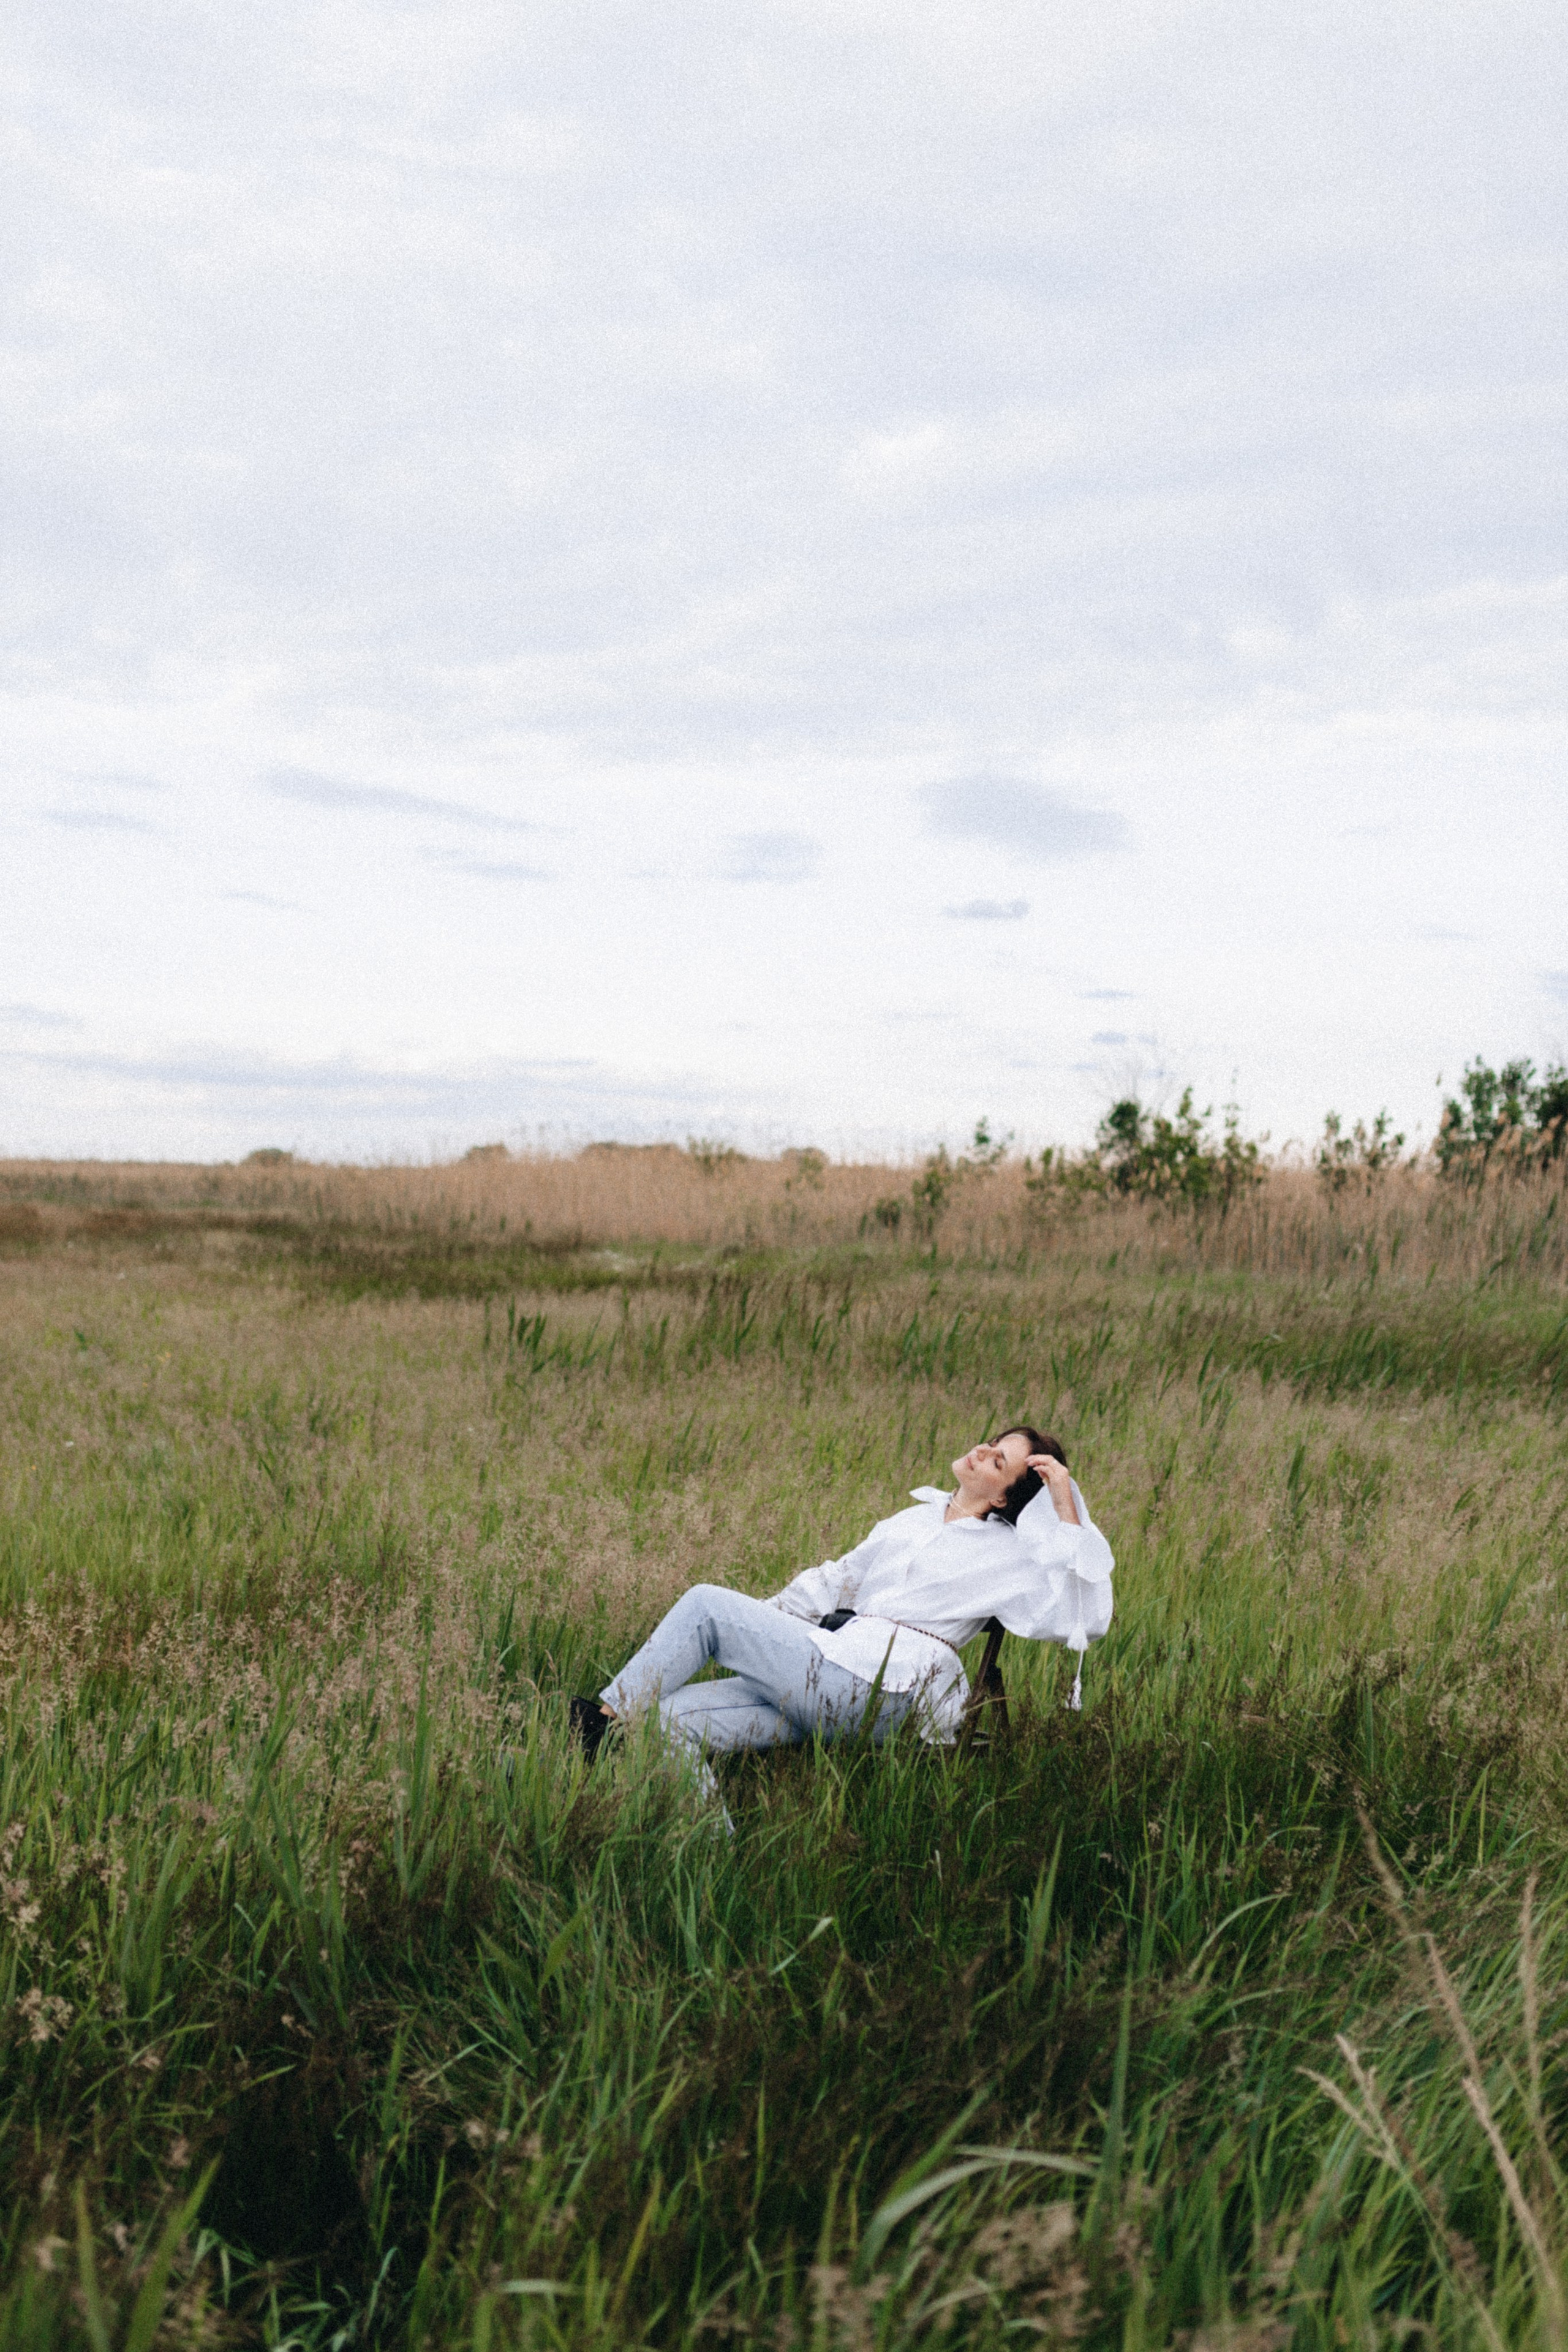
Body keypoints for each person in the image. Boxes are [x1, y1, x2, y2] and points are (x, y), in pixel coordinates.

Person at [569, 1427, 1114, 1789]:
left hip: (883, 1692)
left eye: (999, 1462)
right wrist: (757, 1630)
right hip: (826, 1667)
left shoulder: (1011, 1552)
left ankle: (596, 1728)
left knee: (705, 1606)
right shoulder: (910, 1521)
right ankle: (712, 1852)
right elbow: (834, 1581)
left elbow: (1082, 1613)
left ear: (1003, 1498)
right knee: (668, 1722)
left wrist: (1062, 1500)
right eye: (990, 1442)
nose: (980, 1452)